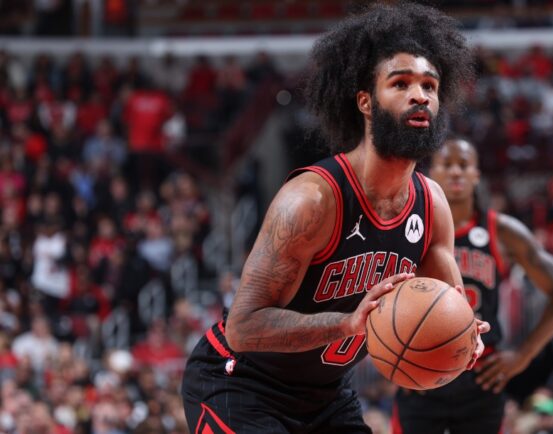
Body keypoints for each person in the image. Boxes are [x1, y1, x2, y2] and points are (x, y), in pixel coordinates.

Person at [181, 3, 488, 433]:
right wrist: (346, 324)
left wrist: (464, 337)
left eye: (429, 86)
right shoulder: (312, 200)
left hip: (326, 397)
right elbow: (244, 327)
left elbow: (449, 307)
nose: (420, 95)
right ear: (365, 101)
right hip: (241, 383)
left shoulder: (431, 205)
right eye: (400, 83)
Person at [392, 137, 553, 434]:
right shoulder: (410, 230)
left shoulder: (501, 231)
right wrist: (390, 360)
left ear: (476, 175)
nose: (455, 172)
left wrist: (523, 355)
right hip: (422, 373)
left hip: (482, 375)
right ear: (431, 173)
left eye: (463, 165)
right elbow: (377, 294)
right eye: (447, 164)